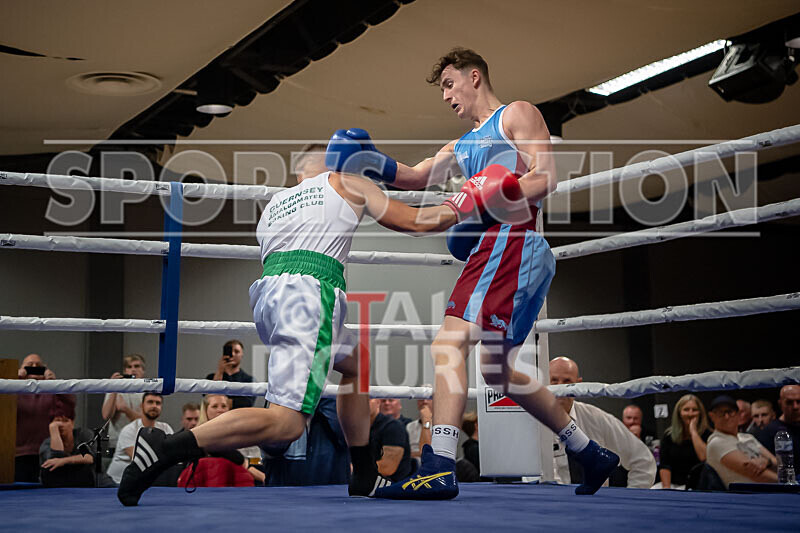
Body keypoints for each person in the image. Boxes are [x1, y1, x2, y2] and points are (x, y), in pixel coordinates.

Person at [117, 143, 512, 506]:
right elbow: (416, 222)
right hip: (311, 294)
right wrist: (471, 197)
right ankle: (165, 448)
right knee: (286, 424)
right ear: (330, 160)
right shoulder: (347, 181)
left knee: (355, 360)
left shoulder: (276, 202)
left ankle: (363, 470)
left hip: (272, 294)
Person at [326, 47, 619, 499]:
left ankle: (440, 465)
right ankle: (589, 453)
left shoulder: (515, 115)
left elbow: (545, 177)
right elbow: (416, 176)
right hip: (504, 248)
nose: (445, 96)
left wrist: (484, 193)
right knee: (499, 371)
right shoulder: (459, 145)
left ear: (474, 77)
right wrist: (367, 159)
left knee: (448, 344)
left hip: (512, 239)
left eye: (448, 84)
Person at [549, 357, 656, 489]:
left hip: (595, 505)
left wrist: (631, 500)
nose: (561, 388)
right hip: (549, 505)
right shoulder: (530, 423)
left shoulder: (596, 419)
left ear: (578, 384)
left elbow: (643, 461)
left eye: (567, 382)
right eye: (554, 381)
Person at [15, 353, 70, 482]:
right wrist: (15, 379)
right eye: (29, 366)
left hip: (47, 452)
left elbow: (70, 404)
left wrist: (55, 384)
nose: (34, 367)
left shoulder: (50, 390)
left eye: (38, 366)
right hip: (18, 454)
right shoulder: (14, 390)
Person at [706, 395, 777, 488]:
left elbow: (777, 462)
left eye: (730, 412)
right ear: (712, 416)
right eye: (721, 413)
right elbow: (757, 475)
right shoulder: (717, 442)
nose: (726, 417)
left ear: (738, 414)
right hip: (749, 496)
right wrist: (790, 483)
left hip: (772, 489)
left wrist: (767, 462)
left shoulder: (747, 437)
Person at [107, 393, 173, 484]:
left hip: (147, 480)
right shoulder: (129, 430)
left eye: (158, 403)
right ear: (142, 406)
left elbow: (173, 454)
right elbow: (139, 459)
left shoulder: (166, 428)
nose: (154, 406)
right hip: (118, 481)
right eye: (150, 402)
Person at [656, 394, 711, 490]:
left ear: (700, 413)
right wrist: (666, 488)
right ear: (679, 413)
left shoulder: (707, 434)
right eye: (686, 410)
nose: (690, 413)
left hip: (698, 486)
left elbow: (704, 457)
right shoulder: (669, 435)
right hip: (673, 485)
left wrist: (693, 431)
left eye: (694, 410)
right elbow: (665, 465)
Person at [38, 395, 95, 487]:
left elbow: (88, 457)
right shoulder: (46, 444)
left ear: (72, 423)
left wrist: (63, 461)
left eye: (65, 421)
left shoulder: (83, 435)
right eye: (57, 422)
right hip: (59, 485)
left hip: (88, 484)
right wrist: (54, 430)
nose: (60, 425)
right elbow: (55, 460)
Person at [101, 354, 146, 451]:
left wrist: (125, 409)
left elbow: (146, 421)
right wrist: (113, 387)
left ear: (143, 370)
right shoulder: (115, 389)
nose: (133, 370)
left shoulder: (147, 391)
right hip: (117, 442)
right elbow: (106, 415)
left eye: (137, 366)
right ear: (125, 371)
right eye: (129, 367)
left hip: (140, 442)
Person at [369, 399, 412, 482]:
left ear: (377, 402)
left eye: (367, 400)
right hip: (372, 481)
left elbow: (387, 468)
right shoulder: (363, 427)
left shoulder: (394, 427)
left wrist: (357, 469)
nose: (361, 404)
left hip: (393, 484)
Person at [756, 385, 800, 467]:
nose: (795, 407)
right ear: (780, 404)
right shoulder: (769, 432)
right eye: (789, 402)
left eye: (799, 401)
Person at [206, 340, 254, 409]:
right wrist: (220, 372)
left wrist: (219, 401)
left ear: (242, 354)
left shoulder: (249, 380)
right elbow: (207, 399)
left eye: (236, 352)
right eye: (229, 352)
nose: (233, 354)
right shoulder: (211, 377)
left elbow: (247, 403)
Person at [405, 396, 433, 467]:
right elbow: (404, 453)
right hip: (410, 464)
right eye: (421, 398)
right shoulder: (410, 426)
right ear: (417, 402)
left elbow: (427, 453)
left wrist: (426, 421)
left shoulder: (441, 426)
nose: (425, 401)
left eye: (429, 398)